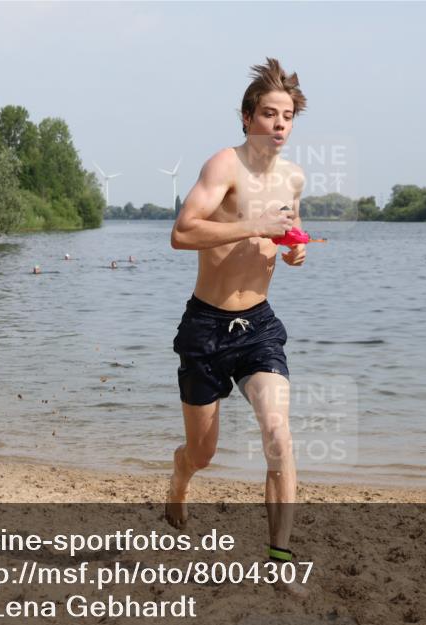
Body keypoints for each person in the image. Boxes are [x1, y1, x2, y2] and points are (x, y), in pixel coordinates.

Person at [166, 58, 308, 587]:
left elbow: (290, 234)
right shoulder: (222, 166)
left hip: (260, 326)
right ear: (248, 117)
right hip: (206, 328)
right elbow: (182, 233)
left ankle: (280, 557)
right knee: (202, 454)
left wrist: (295, 252)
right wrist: (255, 224)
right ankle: (179, 480)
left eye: (287, 116)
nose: (278, 124)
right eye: (269, 113)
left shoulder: (293, 178)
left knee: (279, 434)